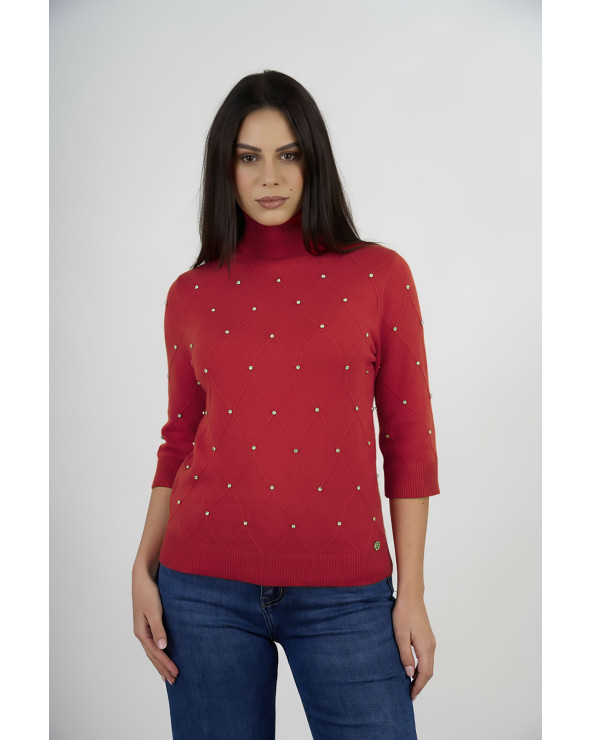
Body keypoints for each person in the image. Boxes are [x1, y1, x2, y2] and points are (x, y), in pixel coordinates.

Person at [132, 70, 440, 740]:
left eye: (288, 154)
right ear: (226, 168)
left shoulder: (380, 276)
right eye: (249, 157)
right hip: (201, 588)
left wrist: (411, 593)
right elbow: (179, 438)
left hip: (347, 595)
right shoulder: (191, 293)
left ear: (312, 160)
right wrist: (142, 566)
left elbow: (410, 443)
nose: (269, 177)